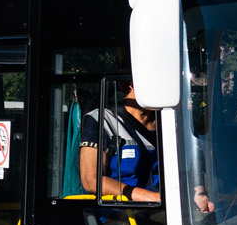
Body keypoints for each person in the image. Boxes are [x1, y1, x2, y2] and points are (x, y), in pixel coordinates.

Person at [78, 82, 214, 213]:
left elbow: (189, 171)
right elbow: (91, 181)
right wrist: (151, 197)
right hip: (118, 218)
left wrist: (199, 196)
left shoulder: (172, 121)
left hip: (164, 213)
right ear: (131, 85)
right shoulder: (102, 120)